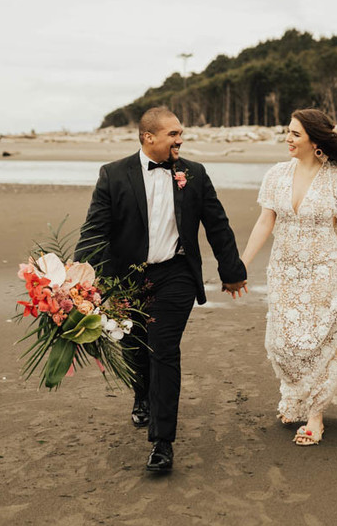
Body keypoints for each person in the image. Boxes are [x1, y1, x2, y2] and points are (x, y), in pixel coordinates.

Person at [76, 106, 247, 472]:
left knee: (163, 348)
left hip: (176, 274)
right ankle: (142, 395)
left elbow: (217, 224)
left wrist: (231, 271)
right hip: (124, 277)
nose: (180, 140)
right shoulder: (114, 175)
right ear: (148, 137)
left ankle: (162, 442)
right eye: (173, 134)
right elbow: (95, 230)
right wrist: (77, 279)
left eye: (181, 133)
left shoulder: (194, 174)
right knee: (133, 345)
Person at [241, 108, 337, 446]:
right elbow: (264, 222)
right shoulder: (276, 175)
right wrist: (242, 263)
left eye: (295, 133)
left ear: (315, 141)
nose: (288, 138)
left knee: (314, 343)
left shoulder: (336, 179)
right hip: (283, 270)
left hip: (321, 272)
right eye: (288, 131)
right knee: (281, 343)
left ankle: (315, 414)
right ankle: (294, 397)